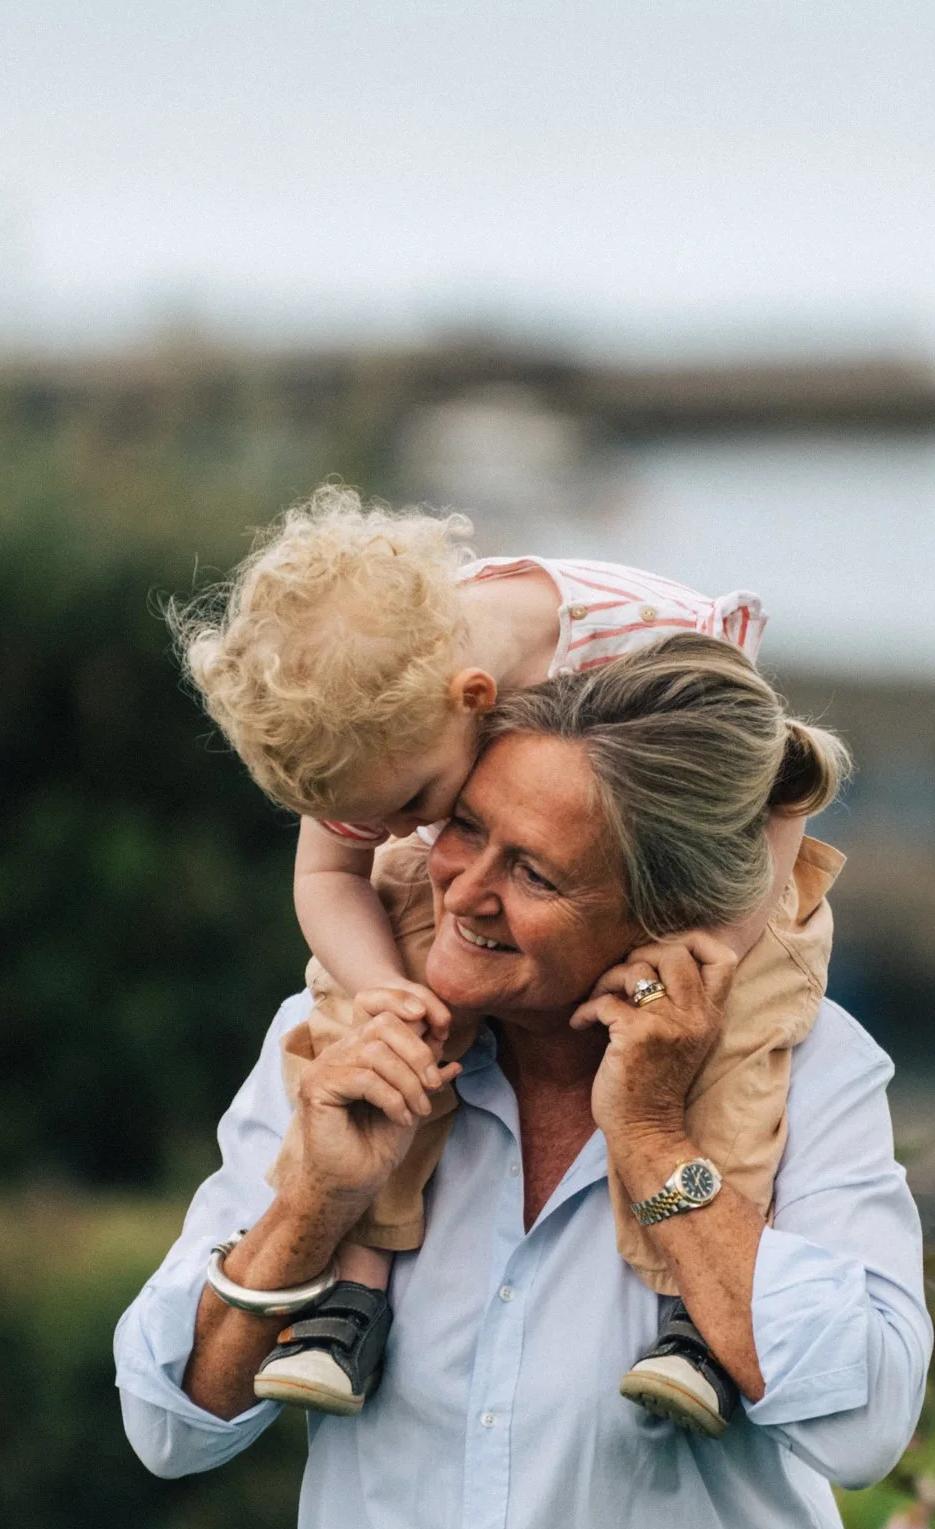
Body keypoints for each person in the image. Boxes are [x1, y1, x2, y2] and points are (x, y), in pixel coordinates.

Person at [113, 639, 928, 1529]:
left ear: (667, 921)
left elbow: (865, 1420)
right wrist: (313, 1201)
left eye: (534, 871)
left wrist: (651, 1139)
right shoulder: (336, 1040)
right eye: (464, 828)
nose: (461, 890)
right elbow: (169, 1420)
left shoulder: (808, 1067)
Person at [170, 488, 831, 1428]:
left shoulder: (640, 643)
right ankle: (347, 1298)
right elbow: (328, 877)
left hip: (718, 886)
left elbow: (779, 782)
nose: (402, 835)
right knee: (362, 1027)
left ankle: (697, 1321)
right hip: (533, 883)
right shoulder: (371, 714)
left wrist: (710, 952)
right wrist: (386, 995)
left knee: (735, 1042)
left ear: (476, 701)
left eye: (416, 802)